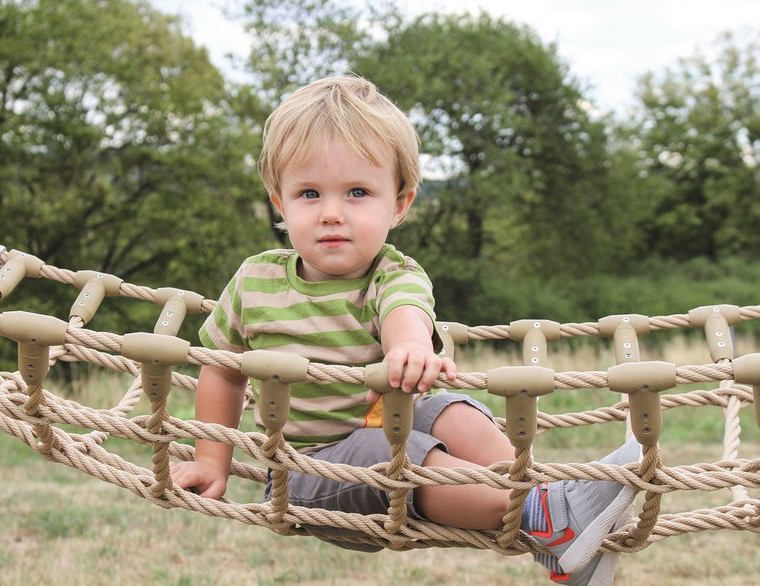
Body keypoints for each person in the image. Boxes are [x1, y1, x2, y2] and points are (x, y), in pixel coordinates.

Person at [170, 75, 639, 585]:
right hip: (307, 479)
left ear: (398, 204)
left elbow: (404, 314)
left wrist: (411, 349)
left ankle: (549, 511)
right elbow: (222, 370)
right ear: (280, 203)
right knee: (388, 449)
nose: (331, 213)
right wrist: (212, 461)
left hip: (382, 438)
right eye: (309, 193)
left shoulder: (393, 274)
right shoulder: (253, 281)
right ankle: (546, 516)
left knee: (447, 409)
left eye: (357, 192)